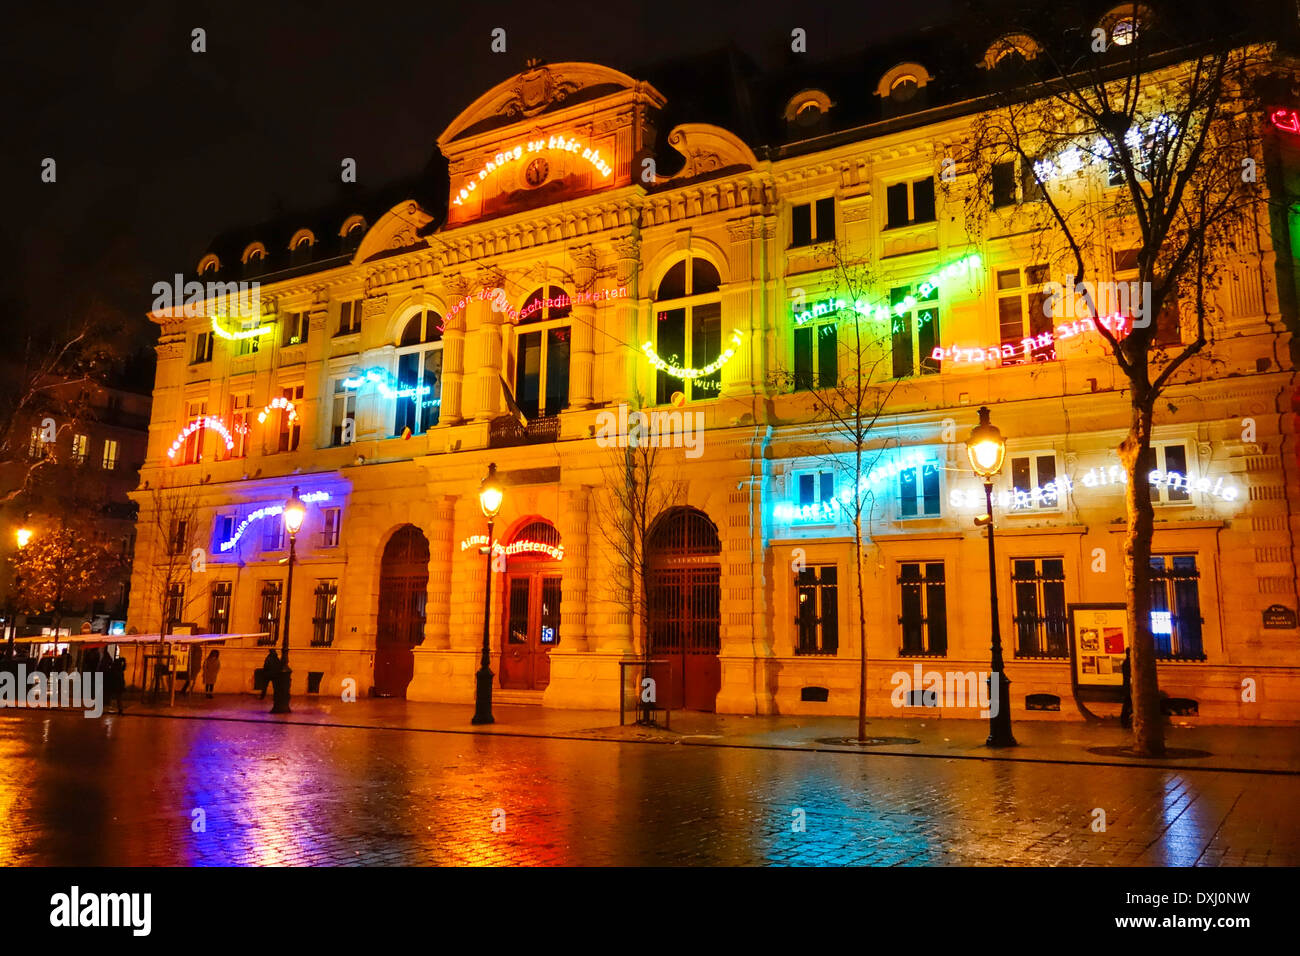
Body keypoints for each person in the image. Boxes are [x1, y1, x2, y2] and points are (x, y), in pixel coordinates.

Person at [1119, 648, 1133, 730]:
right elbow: (1128, 676)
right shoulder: (1128, 663)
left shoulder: (1127, 662)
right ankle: (1124, 721)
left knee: (1128, 704)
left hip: (1128, 686)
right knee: (1127, 704)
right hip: (1129, 687)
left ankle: (1125, 721)